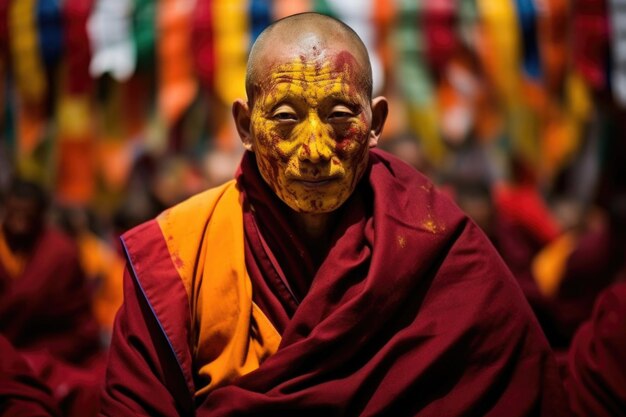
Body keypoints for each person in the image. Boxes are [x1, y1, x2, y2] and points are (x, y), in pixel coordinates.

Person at [101, 13, 567, 416]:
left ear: (376, 124)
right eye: (284, 117)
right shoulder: (179, 253)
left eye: (341, 115)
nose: (316, 151)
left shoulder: (432, 241)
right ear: (245, 125)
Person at [0, 178, 103, 417]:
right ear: (5, 207)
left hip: (47, 357)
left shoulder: (60, 253)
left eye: (28, 216)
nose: (20, 224)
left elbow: (80, 325)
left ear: (42, 216)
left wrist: (37, 359)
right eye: (14, 213)